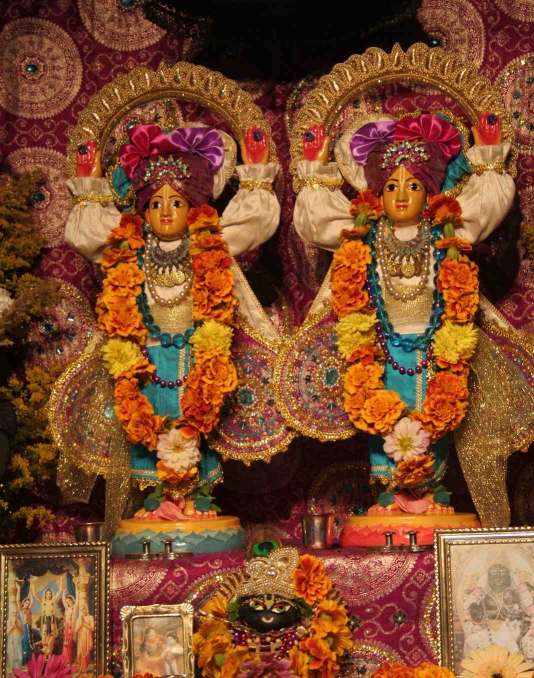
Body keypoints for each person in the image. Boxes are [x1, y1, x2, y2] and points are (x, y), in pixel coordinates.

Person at [292, 112, 534, 526]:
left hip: (435, 348)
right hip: (380, 350)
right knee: (380, 414)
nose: (402, 195)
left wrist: (489, 157)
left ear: (430, 193)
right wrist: (315, 170)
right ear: (376, 195)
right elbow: (316, 221)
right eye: (391, 186)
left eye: (413, 185)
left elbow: (487, 205)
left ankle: (431, 492)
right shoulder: (364, 235)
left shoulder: (446, 232)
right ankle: (388, 494)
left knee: (434, 415)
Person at [63, 121, 280, 526]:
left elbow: (256, 222)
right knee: (147, 425)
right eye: (156, 202)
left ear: (194, 208)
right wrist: (89, 184)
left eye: (176, 202)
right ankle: (154, 501)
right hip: (146, 364)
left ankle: (198, 498)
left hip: (198, 361)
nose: (165, 210)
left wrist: (256, 176)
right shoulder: (131, 249)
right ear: (143, 210)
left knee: (197, 423)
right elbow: (84, 233)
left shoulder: (209, 244)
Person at [30, 575, 65, 658]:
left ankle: (49, 652)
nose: (48, 595)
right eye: (47, 594)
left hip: (52, 619)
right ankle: (46, 652)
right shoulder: (43, 600)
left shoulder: (53, 600)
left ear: (51, 594)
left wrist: (61, 580)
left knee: (51, 635)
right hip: (45, 619)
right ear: (45, 595)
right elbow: (34, 594)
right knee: (44, 635)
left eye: (50, 594)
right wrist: (32, 584)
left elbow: (60, 590)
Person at [62, 578, 79, 664]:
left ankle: (69, 659)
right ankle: (65, 659)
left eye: (69, 601)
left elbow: (78, 598)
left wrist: (76, 586)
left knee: (69, 643)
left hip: (71, 627)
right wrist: (64, 592)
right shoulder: (67, 608)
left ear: (72, 600)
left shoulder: (74, 608)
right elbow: (63, 600)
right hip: (66, 627)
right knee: (65, 643)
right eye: (67, 601)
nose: (68, 602)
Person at [74, 602, 94, 674]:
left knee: (86, 653)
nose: (83, 611)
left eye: (84, 609)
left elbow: (92, 628)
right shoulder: (79, 619)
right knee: (80, 653)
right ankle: (81, 668)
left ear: (86, 609)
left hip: (87, 637)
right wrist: (80, 624)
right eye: (81, 610)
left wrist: (84, 623)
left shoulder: (90, 617)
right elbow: (76, 630)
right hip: (81, 637)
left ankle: (85, 669)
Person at [6, 603, 24, 672]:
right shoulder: (8, 622)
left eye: (16, 612)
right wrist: (12, 627)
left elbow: (22, 632)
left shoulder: (19, 622)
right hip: (11, 640)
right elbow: (7, 633)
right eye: (13, 612)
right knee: (12, 656)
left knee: (18, 656)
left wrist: (17, 627)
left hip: (18, 640)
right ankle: (12, 671)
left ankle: (18, 671)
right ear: (11, 613)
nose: (15, 614)